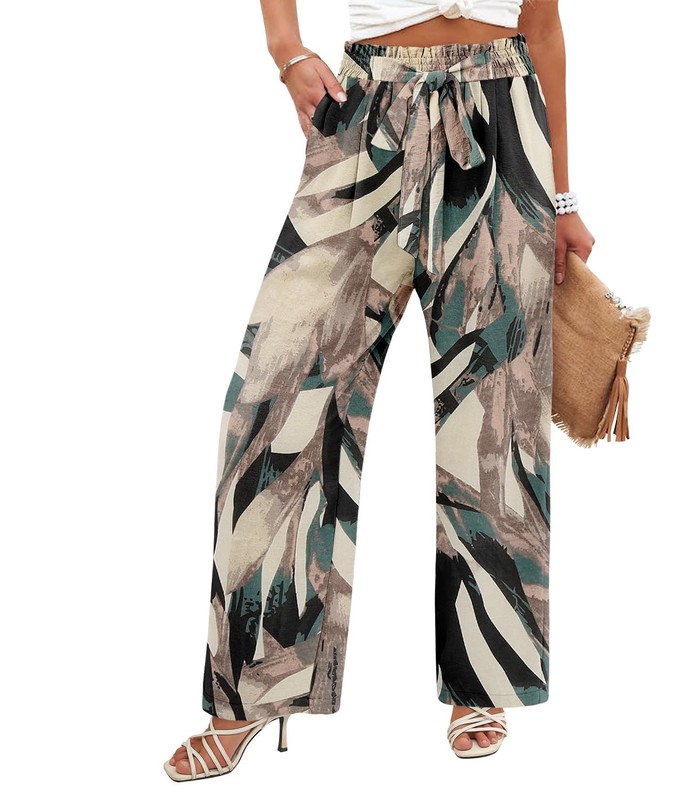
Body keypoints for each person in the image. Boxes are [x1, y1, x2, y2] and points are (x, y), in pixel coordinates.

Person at [164, 0, 594, 780]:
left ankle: (483, 678)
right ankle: (252, 689)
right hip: (368, 108)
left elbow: (544, 24)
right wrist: (287, 50)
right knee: (274, 401)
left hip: (504, 114)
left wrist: (562, 199)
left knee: (494, 405)